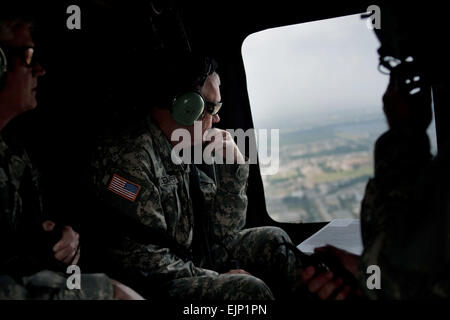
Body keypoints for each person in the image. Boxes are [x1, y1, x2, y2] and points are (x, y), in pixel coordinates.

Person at [89, 55, 335, 300]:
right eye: (212, 108)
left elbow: (223, 231)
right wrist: (216, 276)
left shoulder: (178, 147)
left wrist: (235, 168)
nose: (217, 118)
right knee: (250, 290)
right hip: (149, 285)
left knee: (274, 240)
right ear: (188, 108)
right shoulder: (131, 159)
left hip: (186, 260)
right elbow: (148, 260)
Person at [0, 7, 143, 300]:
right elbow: (128, 198)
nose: (39, 69)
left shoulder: (15, 153)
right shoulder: (119, 155)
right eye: (28, 56)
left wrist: (56, 237)